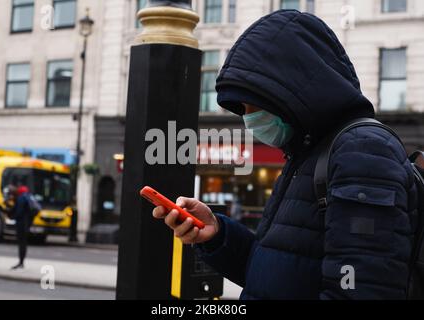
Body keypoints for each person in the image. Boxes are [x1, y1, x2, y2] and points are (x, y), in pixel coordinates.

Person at [153, 10, 419, 299]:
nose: (248, 117)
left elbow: (359, 289)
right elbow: (274, 273)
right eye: (241, 108)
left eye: (252, 103)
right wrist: (217, 233)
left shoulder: (362, 151)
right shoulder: (306, 154)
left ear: (289, 89)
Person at [7, 185, 33, 270]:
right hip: (26, 224)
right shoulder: (25, 198)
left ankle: (21, 262)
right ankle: (21, 262)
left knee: (21, 244)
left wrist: (12, 216)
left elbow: (18, 212)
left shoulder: (21, 199)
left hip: (21, 225)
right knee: (23, 244)